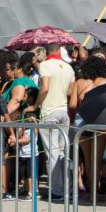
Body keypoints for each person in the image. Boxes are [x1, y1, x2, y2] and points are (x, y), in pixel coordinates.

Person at [32, 44, 75, 202]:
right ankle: (68, 187)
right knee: (63, 151)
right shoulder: (69, 68)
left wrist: (35, 105)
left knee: (52, 152)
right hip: (64, 111)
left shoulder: (45, 65)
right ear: (59, 52)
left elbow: (44, 88)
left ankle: (57, 190)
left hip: (49, 111)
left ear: (47, 52)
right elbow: (70, 91)